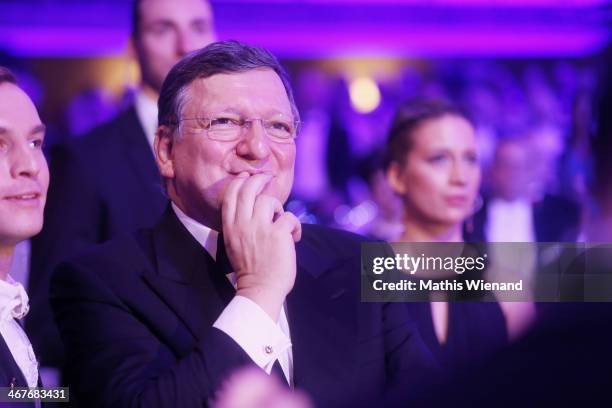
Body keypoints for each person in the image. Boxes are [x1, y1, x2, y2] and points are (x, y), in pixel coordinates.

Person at [50, 41, 436, 408]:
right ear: (167, 151)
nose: (257, 147)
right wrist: (259, 294)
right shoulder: (102, 281)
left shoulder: (357, 260)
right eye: (225, 122)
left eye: (278, 127)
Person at [27, 0, 216, 381]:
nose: (185, 45)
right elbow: (51, 315)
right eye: (163, 29)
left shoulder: (239, 150)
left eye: (197, 27)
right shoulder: (85, 159)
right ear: (134, 46)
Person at [383, 100, 508, 368]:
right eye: (439, 159)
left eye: (470, 159)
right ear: (397, 176)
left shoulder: (503, 284)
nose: (460, 177)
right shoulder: (364, 278)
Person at [0, 67, 49, 398]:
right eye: (0, 145)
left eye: (35, 142)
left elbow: (17, 397)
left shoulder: (9, 312)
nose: (29, 164)